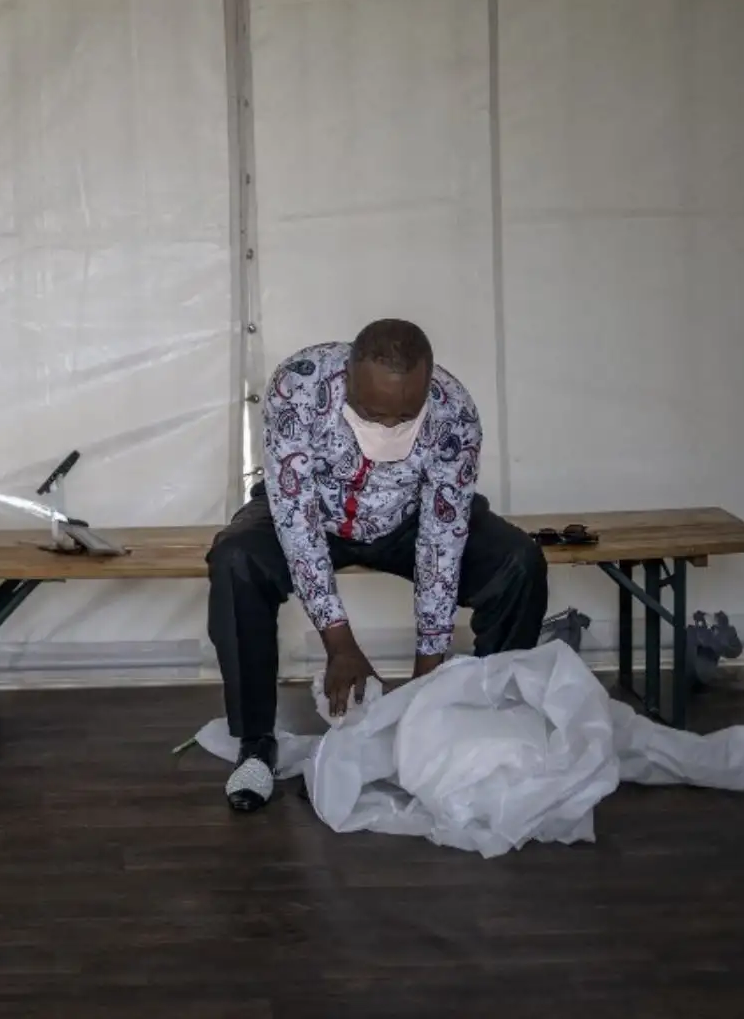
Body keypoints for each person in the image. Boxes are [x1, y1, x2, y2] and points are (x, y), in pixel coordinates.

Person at [207, 319, 547, 812]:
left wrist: (426, 679)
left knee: (518, 562)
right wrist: (338, 641)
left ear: (428, 390)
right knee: (236, 558)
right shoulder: (296, 386)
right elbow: (295, 521)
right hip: (312, 512)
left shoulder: (455, 412)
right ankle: (255, 742)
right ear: (346, 378)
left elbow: (442, 536)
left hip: (408, 519)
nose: (388, 427)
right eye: (371, 413)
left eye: (405, 416)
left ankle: (478, 720)